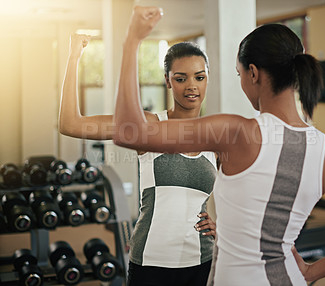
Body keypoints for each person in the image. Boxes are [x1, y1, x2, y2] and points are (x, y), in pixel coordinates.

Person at [112, 6, 325, 286]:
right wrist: (312, 272)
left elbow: (130, 133)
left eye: (239, 75)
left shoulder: (234, 132)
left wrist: (131, 42)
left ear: (253, 73)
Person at [59, 33, 218, 285]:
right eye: (181, 78)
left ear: (208, 78)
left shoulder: (215, 135)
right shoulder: (149, 126)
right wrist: (74, 57)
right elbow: (70, 124)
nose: (192, 86)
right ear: (167, 81)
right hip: (152, 261)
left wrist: (220, 224)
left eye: (200, 77)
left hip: (201, 260)